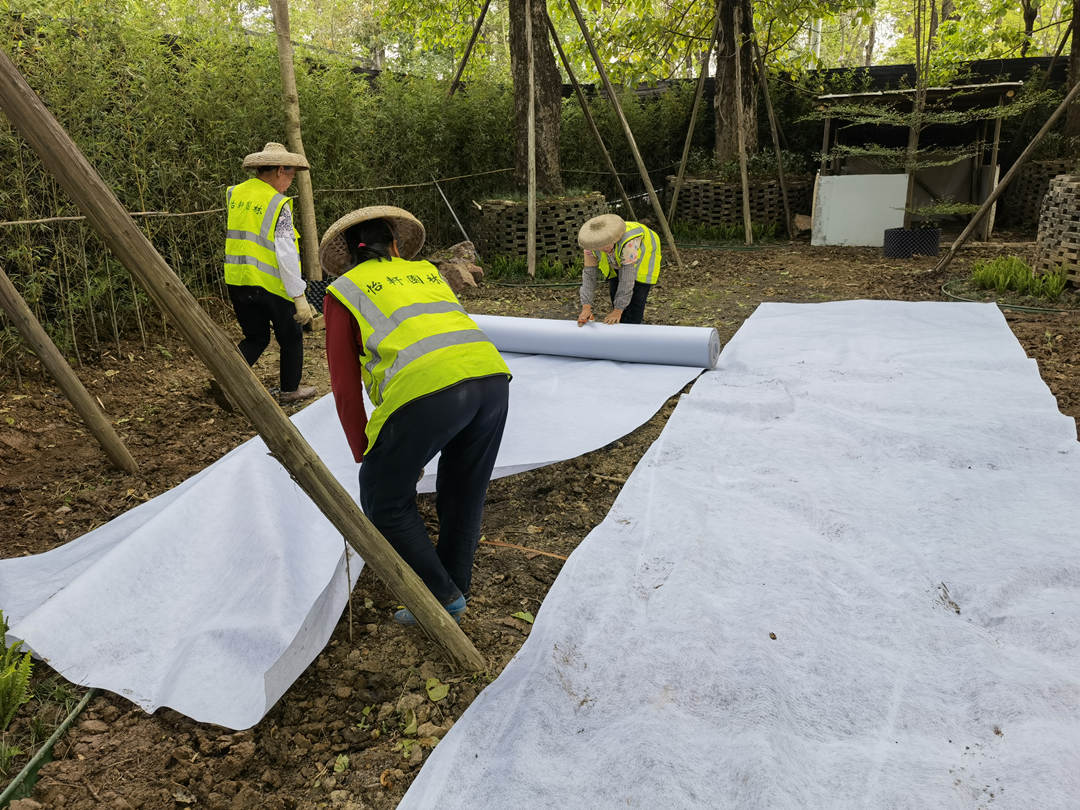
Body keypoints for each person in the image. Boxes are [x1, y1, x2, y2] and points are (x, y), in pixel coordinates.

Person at [320, 206, 511, 626]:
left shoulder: (344, 289)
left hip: (428, 391)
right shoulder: (426, 273)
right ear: (395, 245)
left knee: (382, 496)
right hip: (492, 380)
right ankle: (455, 588)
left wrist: (364, 450)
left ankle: (440, 595)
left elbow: (345, 386)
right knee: (463, 491)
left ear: (351, 254)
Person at [222, 142, 316, 404]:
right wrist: (299, 295)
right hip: (271, 285)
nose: (291, 180)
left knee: (256, 337)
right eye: (290, 174)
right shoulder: (278, 204)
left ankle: (227, 384)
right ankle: (290, 390)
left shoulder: (235, 194)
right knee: (291, 337)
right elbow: (286, 254)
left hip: (238, 280)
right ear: (278, 170)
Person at [576, 214, 661, 327]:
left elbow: (627, 279)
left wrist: (618, 310)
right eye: (599, 247)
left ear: (615, 238)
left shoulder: (628, 242)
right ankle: (622, 322)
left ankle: (633, 326)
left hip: (643, 257)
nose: (604, 250)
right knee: (615, 292)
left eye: (606, 245)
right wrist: (586, 307)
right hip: (618, 259)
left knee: (636, 299)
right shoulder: (591, 244)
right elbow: (589, 276)